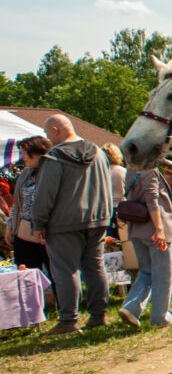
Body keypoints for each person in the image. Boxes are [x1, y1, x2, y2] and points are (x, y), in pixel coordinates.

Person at [29, 115, 112, 334]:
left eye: (48, 134)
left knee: (66, 272)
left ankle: (68, 320)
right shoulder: (99, 152)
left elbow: (45, 194)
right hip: (97, 219)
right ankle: (98, 315)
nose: (48, 139)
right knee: (95, 267)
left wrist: (38, 223)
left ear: (56, 130)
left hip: (64, 222)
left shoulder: (54, 157)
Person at [118, 166, 172, 329]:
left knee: (147, 271)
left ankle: (130, 308)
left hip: (137, 228)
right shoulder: (149, 170)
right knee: (163, 274)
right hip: (153, 229)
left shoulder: (131, 169)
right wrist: (159, 229)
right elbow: (152, 200)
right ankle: (160, 317)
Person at [5, 136, 53, 279]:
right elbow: (17, 203)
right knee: (26, 280)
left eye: (25, 152)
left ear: (38, 152)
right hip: (24, 237)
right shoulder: (25, 173)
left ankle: (61, 302)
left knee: (58, 278)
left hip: (49, 236)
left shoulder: (53, 172)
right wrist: (10, 226)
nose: (22, 157)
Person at [102, 142, 126, 236]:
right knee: (123, 238)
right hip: (122, 207)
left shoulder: (102, 171)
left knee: (108, 239)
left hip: (106, 208)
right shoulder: (123, 171)